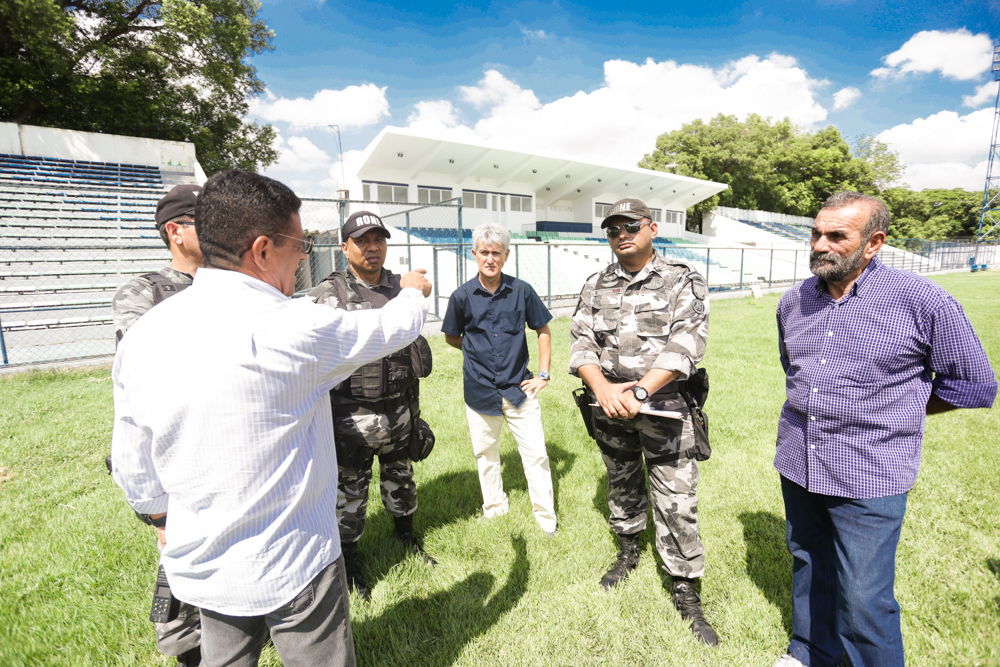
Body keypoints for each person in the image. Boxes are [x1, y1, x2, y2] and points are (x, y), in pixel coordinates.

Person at [110, 170, 432, 667]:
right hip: (297, 564)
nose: (303, 259)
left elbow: (133, 464)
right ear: (262, 250)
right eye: (299, 246)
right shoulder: (293, 325)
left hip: (204, 569)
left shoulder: (144, 335)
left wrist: (160, 518)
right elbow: (395, 325)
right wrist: (411, 290)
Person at [771, 191, 997, 667]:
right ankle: (810, 651)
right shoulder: (793, 302)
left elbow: (975, 384)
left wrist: (901, 411)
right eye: (815, 233)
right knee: (809, 563)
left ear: (873, 243)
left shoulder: (922, 300)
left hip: (869, 473)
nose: (820, 244)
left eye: (836, 236)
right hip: (799, 459)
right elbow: (794, 369)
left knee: (863, 599)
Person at [569, 197, 718, 646]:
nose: (621, 234)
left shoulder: (680, 280)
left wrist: (639, 391)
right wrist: (602, 389)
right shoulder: (595, 284)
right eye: (613, 228)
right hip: (610, 404)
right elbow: (581, 342)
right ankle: (629, 549)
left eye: (630, 225)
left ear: (652, 228)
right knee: (621, 480)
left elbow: (687, 342)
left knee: (675, 495)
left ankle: (684, 586)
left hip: (664, 406)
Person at [306, 210, 436, 602]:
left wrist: (414, 416)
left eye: (378, 239)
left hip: (399, 413)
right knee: (349, 499)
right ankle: (351, 564)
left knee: (402, 481)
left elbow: (410, 360)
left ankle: (406, 538)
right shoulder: (326, 296)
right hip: (351, 421)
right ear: (344, 247)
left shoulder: (403, 289)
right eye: (362, 240)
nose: (372, 247)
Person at [110, 183, 204, 667]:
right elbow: (151, 367)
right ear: (175, 231)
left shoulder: (225, 284)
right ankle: (183, 642)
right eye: (202, 219)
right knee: (179, 552)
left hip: (221, 441)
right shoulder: (144, 291)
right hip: (172, 449)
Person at [441, 222, 558, 536]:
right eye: (483, 252)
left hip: (520, 389)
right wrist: (475, 347)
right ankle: (495, 509)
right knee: (486, 455)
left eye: (496, 253)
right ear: (474, 254)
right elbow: (452, 336)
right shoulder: (461, 296)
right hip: (479, 391)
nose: (489, 258)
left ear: (506, 255)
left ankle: (546, 519)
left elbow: (543, 330)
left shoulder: (522, 290)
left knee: (536, 455)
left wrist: (543, 375)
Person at [112, 183, 203, 344]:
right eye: (208, 222)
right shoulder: (141, 293)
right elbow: (141, 359)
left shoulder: (238, 281)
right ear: (175, 232)